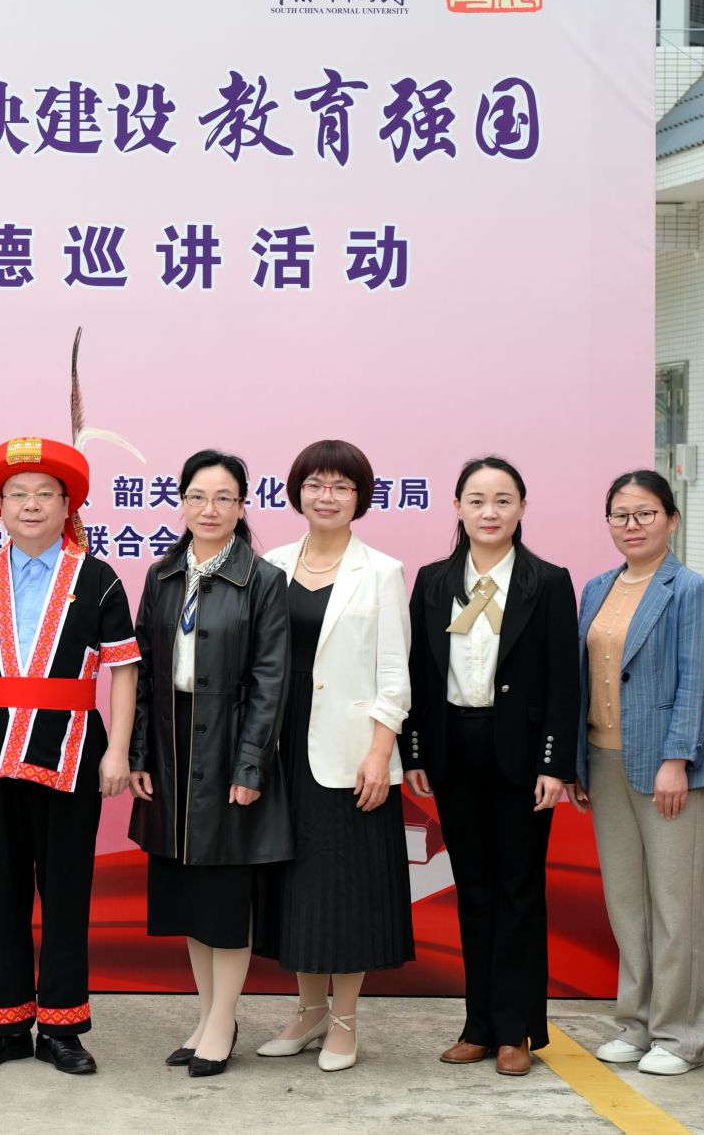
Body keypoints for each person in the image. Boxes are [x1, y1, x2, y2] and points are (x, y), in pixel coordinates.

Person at [0, 437, 140, 1077]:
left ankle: (62, 1027)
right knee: (1, 893)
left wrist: (118, 750)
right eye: (17, 494)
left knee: (66, 894)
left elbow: (123, 670)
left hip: (74, 754)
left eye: (44, 494)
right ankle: (3, 1025)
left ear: (67, 505)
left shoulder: (98, 578)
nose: (30, 505)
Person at [403, 456, 578, 1079]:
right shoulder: (432, 581)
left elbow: (564, 682)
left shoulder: (547, 582)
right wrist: (415, 752)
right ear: (457, 507)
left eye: (503, 500)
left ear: (522, 508)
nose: (490, 512)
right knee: (473, 889)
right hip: (454, 747)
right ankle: (478, 1024)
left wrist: (554, 764)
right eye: (476, 500)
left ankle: (517, 1030)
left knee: (519, 889)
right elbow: (418, 674)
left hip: (522, 757)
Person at [129, 448, 290, 1079]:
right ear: (181, 502)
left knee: (225, 903)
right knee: (191, 901)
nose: (210, 509)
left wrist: (250, 767)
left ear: (243, 506)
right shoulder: (164, 575)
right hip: (171, 754)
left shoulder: (263, 579)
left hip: (227, 750)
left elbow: (271, 680)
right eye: (197, 496)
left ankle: (224, 1021)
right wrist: (139, 753)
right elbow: (143, 671)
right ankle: (205, 1016)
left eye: (224, 498)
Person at [254, 440, 414, 1072]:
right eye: (316, 484)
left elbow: (394, 674)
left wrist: (380, 751)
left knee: (346, 887)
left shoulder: (382, 571)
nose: (327, 496)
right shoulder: (270, 564)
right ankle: (308, 1011)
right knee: (296, 886)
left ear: (360, 498)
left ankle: (345, 1020)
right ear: (297, 491)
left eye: (341, 487)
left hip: (350, 751)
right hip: (281, 747)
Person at [571, 469, 704, 1077]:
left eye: (645, 514)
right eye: (620, 515)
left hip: (668, 770)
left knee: (676, 906)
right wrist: (577, 761)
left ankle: (680, 1036)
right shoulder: (597, 588)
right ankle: (635, 1024)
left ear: (671, 519)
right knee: (627, 904)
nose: (631, 525)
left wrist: (676, 760)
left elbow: (698, 682)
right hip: (604, 761)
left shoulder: (690, 590)